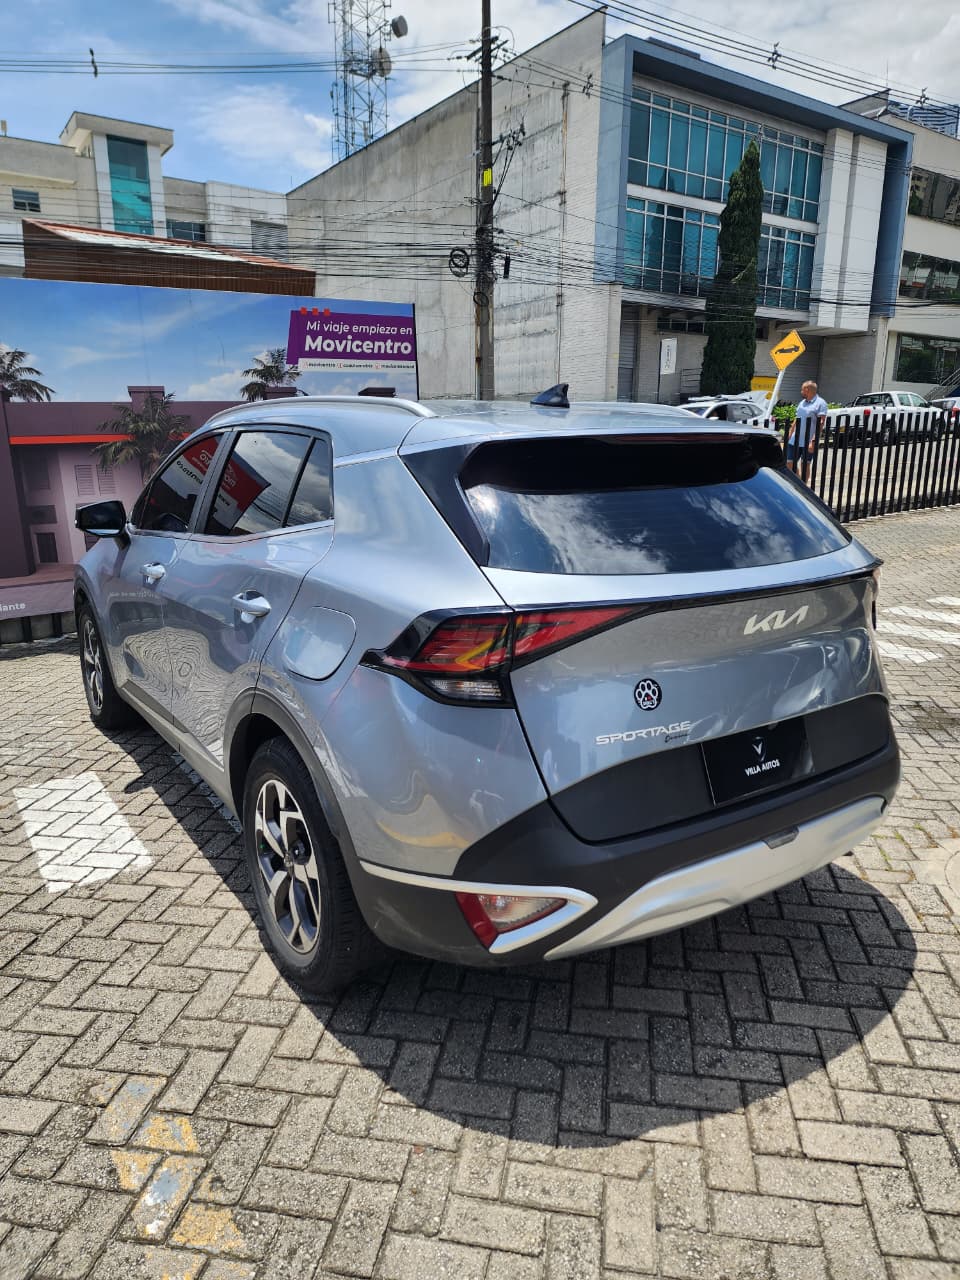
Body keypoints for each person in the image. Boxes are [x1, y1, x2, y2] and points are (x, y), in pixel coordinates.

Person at [786, 380, 827, 481]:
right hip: (795, 439)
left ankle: (803, 485)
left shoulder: (821, 403)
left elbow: (821, 424)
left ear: (807, 390)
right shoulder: (802, 402)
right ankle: (798, 482)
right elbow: (797, 419)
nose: (801, 392)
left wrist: (813, 441)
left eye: (802, 390)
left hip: (808, 441)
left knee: (805, 464)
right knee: (789, 463)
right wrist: (790, 434)